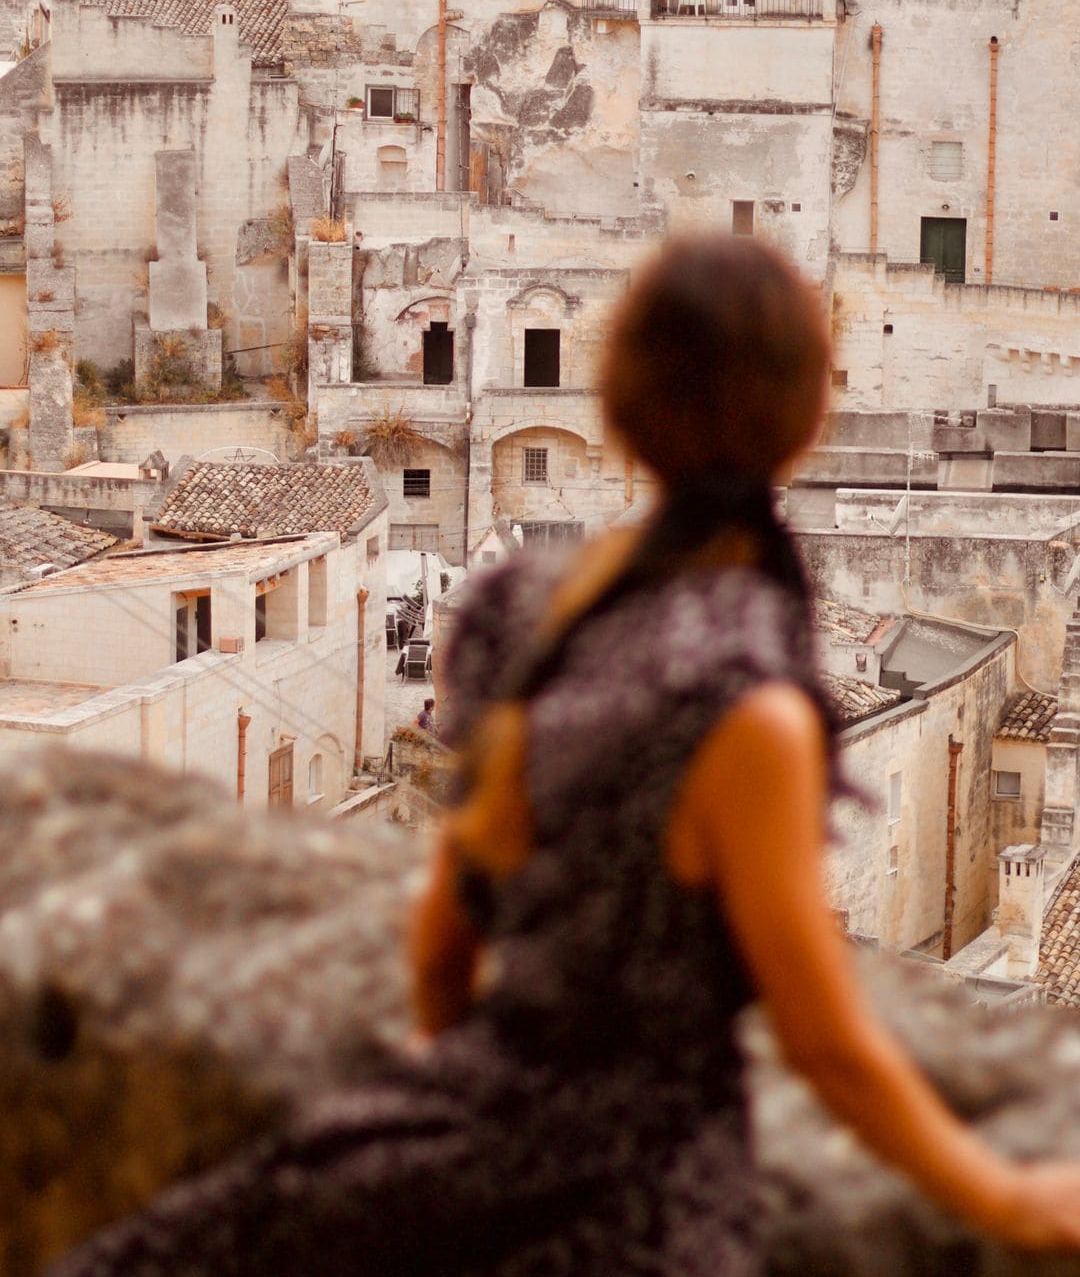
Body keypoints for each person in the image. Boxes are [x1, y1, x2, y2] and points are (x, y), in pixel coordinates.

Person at [49, 236, 1080, 1276]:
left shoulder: (515, 613)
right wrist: (1006, 1196)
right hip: (643, 1200)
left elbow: (444, 947)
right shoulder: (745, 705)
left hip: (468, 1116)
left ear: (619, 412)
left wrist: (467, 1123)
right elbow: (824, 1042)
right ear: (812, 420)